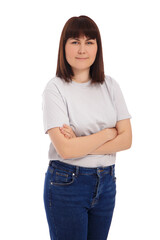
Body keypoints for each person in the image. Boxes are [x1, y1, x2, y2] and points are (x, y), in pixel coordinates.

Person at [42, 15, 132, 240]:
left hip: (107, 183)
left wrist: (80, 143)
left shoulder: (110, 85)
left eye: (89, 42)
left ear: (97, 48)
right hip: (67, 184)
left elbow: (127, 140)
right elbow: (66, 151)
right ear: (64, 46)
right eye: (75, 42)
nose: (82, 49)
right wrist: (108, 133)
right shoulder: (55, 89)